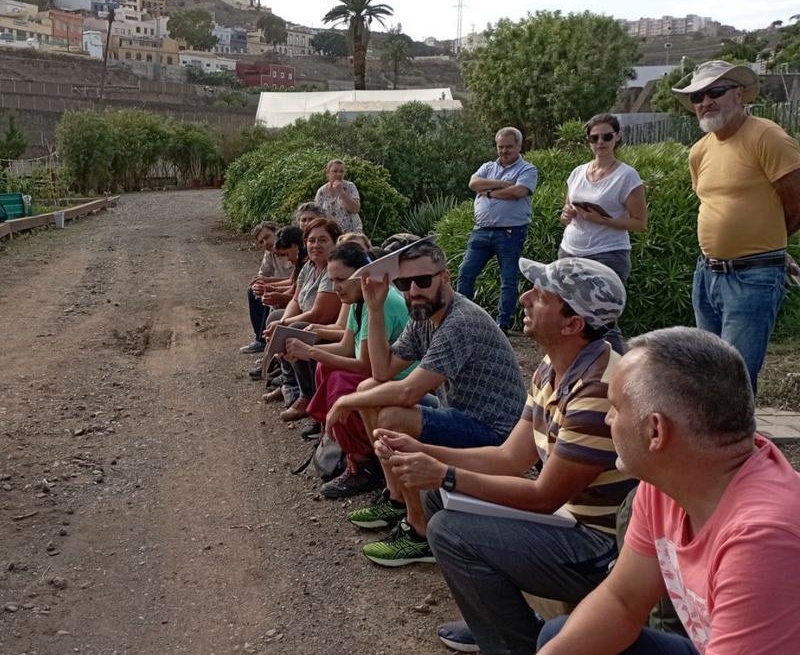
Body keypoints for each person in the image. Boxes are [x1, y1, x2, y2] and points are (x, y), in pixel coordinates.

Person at [377, 257, 635, 655]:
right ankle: (498, 623)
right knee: (435, 500)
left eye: (542, 296)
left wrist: (444, 473)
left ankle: (514, 644)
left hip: (599, 548)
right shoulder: (554, 366)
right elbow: (509, 457)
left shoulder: (598, 390)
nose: (526, 298)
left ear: (573, 324)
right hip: (568, 521)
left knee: (449, 530)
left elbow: (544, 496)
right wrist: (419, 451)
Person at [537, 327, 800, 655]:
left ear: (655, 431)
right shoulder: (667, 485)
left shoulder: (763, 539)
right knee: (560, 637)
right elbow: (622, 600)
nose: (607, 419)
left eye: (616, 407)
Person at [325, 239, 526, 567]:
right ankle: (395, 498)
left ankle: (419, 532)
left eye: (423, 281)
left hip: (494, 431)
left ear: (445, 278)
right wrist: (374, 308)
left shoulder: (460, 322)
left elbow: (408, 394)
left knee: (391, 415)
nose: (413, 290)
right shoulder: (423, 315)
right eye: (405, 283)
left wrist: (347, 400)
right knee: (369, 387)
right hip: (460, 413)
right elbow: (381, 370)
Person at [670, 60, 800, 391]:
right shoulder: (699, 151)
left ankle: (740, 443)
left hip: (752, 277)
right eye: (698, 96)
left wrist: (767, 245)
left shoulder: (766, 136)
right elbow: (712, 203)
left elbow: (797, 200)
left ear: (739, 94)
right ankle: (712, 442)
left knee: (734, 377)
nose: (705, 102)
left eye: (716, 92)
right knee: (707, 372)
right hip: (707, 274)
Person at [284, 242, 415, 497]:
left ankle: (365, 464)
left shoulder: (379, 300)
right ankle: (343, 447)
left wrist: (310, 351)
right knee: (325, 368)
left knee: (340, 382)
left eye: (341, 280)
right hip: (382, 374)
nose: (336, 288)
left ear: (362, 274)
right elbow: (347, 346)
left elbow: (366, 365)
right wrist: (305, 346)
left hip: (400, 379)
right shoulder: (359, 299)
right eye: (332, 280)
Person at [559, 113, 648, 353]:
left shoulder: (627, 176)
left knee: (603, 319)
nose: (600, 142)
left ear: (617, 137)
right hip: (570, 250)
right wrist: (567, 214)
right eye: (594, 137)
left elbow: (640, 222)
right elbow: (566, 211)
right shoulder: (577, 172)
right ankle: (580, 373)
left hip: (608, 253)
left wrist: (603, 220)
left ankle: (619, 376)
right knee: (569, 315)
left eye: (606, 136)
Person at [457, 127, 540, 332]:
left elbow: (518, 191)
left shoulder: (527, 169)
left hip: (511, 233)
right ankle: (463, 319)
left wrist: (490, 193)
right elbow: (473, 183)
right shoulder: (487, 166)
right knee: (465, 273)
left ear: (519, 146)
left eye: (509, 147)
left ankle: (501, 325)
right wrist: (502, 184)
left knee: (508, 280)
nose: (504, 151)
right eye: (500, 147)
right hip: (481, 231)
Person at [262, 217, 342, 419]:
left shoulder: (333, 270)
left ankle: (307, 394)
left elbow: (321, 313)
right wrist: (282, 322)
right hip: (307, 318)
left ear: (334, 242)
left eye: (323, 240)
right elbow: (296, 300)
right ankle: (289, 384)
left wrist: (285, 326)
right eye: (312, 240)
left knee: (294, 329)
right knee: (276, 317)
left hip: (327, 326)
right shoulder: (308, 267)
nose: (316, 245)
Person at [242, 221, 292, 354]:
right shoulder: (269, 253)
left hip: (291, 288)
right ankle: (261, 339)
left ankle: (270, 343)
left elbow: (296, 280)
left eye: (267, 237)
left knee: (266, 292)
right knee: (254, 291)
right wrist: (260, 284)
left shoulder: (292, 247)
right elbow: (262, 275)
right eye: (261, 242)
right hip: (282, 286)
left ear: (276, 231)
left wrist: (269, 283)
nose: (265, 243)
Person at [314, 159, 363, 233]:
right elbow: (318, 216)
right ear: (328, 173)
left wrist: (341, 192)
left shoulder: (350, 186)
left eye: (341, 172)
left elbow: (355, 209)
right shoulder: (321, 191)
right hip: (332, 233)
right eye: (335, 171)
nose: (338, 174)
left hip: (352, 232)